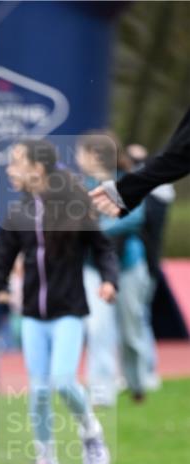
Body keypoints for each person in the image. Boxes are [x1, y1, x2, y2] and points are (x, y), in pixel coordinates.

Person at [0, 139, 118, 464]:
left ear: (37, 169)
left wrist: (109, 280)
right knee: (39, 391)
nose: (10, 170)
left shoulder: (75, 205)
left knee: (63, 381)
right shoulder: (17, 214)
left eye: (16, 162)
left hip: (68, 311)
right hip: (32, 317)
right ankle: (46, 463)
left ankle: (90, 431)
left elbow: (102, 249)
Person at [77, 133, 155, 403]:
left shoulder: (125, 181)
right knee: (98, 328)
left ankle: (137, 382)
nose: (78, 159)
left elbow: (137, 218)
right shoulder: (81, 185)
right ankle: (101, 393)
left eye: (81, 153)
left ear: (95, 155)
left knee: (132, 332)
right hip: (93, 267)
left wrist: (98, 230)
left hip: (128, 266)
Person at [90, 106, 190, 216]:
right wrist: (127, 190)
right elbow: (181, 152)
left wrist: (127, 190)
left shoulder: (121, 174)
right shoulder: (91, 180)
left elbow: (182, 151)